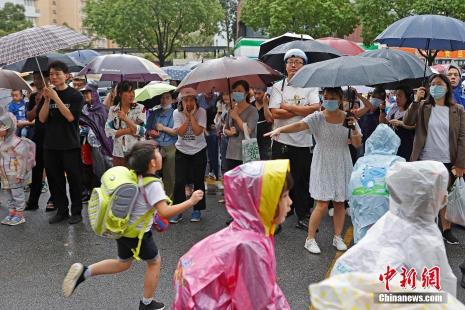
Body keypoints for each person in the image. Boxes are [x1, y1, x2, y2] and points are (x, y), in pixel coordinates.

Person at [62, 141, 204, 310]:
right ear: (152, 163)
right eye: (158, 153)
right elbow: (165, 211)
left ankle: (84, 272)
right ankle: (147, 303)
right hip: (138, 234)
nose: (160, 155)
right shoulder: (154, 184)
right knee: (154, 262)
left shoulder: (136, 175)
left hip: (123, 229)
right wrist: (191, 201)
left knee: (123, 263)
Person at [173, 160, 292, 309]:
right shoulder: (251, 246)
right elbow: (257, 304)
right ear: (263, 201)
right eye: (284, 196)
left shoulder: (244, 230)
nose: (290, 202)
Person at [331, 161, 457, 297]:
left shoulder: (389, 222)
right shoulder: (426, 238)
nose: (445, 197)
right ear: (432, 197)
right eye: (443, 191)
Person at [266, 87, 362, 254]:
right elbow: (298, 125)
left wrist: (353, 128)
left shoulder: (349, 118)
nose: (329, 100)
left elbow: (357, 144)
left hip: (342, 160)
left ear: (340, 99)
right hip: (322, 161)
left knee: (340, 202)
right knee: (322, 203)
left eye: (333, 97)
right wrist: (280, 129)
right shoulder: (317, 117)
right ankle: (310, 239)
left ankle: (337, 236)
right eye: (326, 97)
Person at [404, 73, 465, 245]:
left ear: (447, 87)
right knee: (425, 195)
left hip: (447, 160)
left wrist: (460, 163)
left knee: (444, 196)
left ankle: (446, 229)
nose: (435, 87)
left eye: (439, 84)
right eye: (432, 84)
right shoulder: (423, 106)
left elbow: (462, 137)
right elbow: (408, 121)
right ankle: (425, 229)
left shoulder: (457, 110)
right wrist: (416, 101)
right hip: (424, 159)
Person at [268, 49, 320, 230]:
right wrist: (301, 109)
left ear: (304, 66)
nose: (293, 65)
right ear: (285, 66)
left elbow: (315, 108)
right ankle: (276, 218)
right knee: (278, 181)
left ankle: (303, 216)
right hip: (281, 140)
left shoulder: (311, 86)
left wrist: (288, 107)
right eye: (290, 62)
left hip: (303, 142)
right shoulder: (278, 86)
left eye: (298, 62)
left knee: (301, 182)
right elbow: (274, 112)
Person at [39, 61, 84, 225]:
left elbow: (71, 117)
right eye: (51, 74)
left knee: (74, 179)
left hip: (70, 145)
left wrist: (56, 98)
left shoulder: (75, 95)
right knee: (55, 179)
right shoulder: (48, 94)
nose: (54, 77)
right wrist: (46, 100)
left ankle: (77, 212)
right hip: (50, 145)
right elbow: (42, 119)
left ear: (66, 76)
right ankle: (62, 211)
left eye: (57, 74)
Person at [348, 124, 404, 243]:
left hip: (363, 211)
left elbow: (352, 189)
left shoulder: (361, 161)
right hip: (386, 213)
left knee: (363, 249)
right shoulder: (398, 161)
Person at [171, 87, 208, 223]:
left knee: (198, 180)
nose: (188, 103)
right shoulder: (176, 113)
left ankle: (197, 209)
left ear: (195, 101)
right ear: (181, 101)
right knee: (179, 181)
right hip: (182, 150)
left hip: (199, 149)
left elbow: (198, 132)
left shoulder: (202, 112)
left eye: (191, 99)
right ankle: (178, 211)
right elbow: (180, 133)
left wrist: (192, 115)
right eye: (185, 100)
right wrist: (187, 117)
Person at [25, 71, 55, 212]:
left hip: (52, 136)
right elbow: (30, 117)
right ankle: (33, 202)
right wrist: (37, 103)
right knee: (36, 170)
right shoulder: (33, 96)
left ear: (47, 79)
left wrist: (47, 98)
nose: (36, 81)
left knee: (53, 170)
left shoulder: (54, 94)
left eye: (39, 78)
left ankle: (53, 200)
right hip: (38, 137)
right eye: (35, 78)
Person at [79, 85, 113, 201]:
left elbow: (103, 129)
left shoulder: (102, 109)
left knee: (101, 168)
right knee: (87, 168)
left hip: (101, 145)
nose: (85, 95)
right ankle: (90, 192)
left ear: (94, 94)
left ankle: (104, 193)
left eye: (88, 93)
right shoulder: (84, 109)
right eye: (83, 93)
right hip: (86, 144)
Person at [0, 112, 33, 226]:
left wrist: (20, 174)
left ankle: (20, 214)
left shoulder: (17, 142)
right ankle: (12, 212)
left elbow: (22, 160)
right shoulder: (1, 141)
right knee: (8, 193)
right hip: (4, 175)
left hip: (14, 174)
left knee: (17, 194)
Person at [105, 81, 146, 167]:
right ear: (120, 94)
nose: (132, 94)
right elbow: (108, 132)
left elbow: (142, 131)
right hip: (118, 153)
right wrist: (128, 130)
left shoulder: (140, 108)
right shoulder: (113, 110)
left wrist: (126, 119)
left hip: (136, 152)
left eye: (132, 91)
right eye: (128, 92)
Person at [146, 91, 177, 199]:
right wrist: (151, 132)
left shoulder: (175, 113)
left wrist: (163, 128)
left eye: (167, 98)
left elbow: (176, 132)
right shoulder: (154, 113)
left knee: (169, 175)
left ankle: (169, 200)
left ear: (172, 100)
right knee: (152, 173)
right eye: (162, 98)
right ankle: (154, 198)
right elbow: (147, 129)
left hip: (170, 146)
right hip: (156, 145)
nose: (164, 100)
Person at [223, 80, 259, 170]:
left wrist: (236, 117)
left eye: (239, 91)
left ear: (246, 93)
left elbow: (249, 131)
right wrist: (229, 133)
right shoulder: (231, 110)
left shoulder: (252, 110)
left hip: (247, 152)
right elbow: (225, 129)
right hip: (231, 152)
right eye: (234, 91)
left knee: (247, 182)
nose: (236, 93)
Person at [379, 86, 415, 161]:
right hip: (393, 148)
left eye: (400, 95)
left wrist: (401, 123)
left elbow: (416, 126)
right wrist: (382, 110)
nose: (397, 98)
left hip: (407, 147)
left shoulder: (413, 110)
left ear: (408, 97)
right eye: (396, 95)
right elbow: (383, 122)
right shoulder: (394, 109)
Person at [353, 87, 385, 155]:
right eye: (373, 97)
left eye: (378, 98)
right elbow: (368, 107)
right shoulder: (364, 110)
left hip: (374, 146)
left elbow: (382, 124)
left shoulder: (382, 113)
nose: (375, 99)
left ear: (383, 101)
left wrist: (382, 110)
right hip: (362, 143)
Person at [198, 89, 219, 180]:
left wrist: (217, 125)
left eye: (212, 89)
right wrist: (203, 129)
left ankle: (217, 174)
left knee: (214, 154)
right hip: (200, 129)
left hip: (213, 130)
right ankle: (203, 175)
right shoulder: (198, 99)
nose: (209, 90)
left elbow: (219, 114)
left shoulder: (217, 98)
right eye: (207, 88)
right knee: (202, 155)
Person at [252, 87, 273, 160]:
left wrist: (265, 104)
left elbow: (269, 120)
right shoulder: (250, 106)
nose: (257, 96)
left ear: (265, 93)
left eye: (259, 93)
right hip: (253, 141)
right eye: (255, 93)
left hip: (266, 141)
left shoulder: (271, 104)